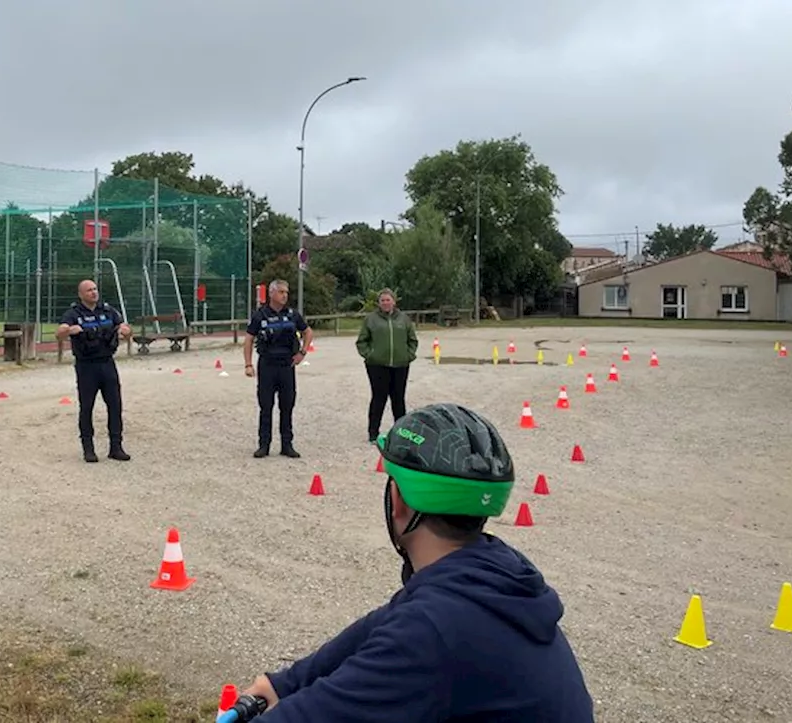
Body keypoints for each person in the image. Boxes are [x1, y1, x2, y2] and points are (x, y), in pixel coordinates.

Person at [236, 403, 596, 722]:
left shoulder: (432, 632)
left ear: (398, 500)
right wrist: (285, 683)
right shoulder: (490, 575)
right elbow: (382, 623)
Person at [56, 278, 133, 463]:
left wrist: (125, 330)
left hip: (107, 363)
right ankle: (88, 449)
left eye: (95, 289)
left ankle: (116, 447)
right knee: (87, 407)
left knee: (115, 405)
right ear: (81, 294)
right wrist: (68, 331)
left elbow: (128, 330)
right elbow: (59, 333)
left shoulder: (108, 311)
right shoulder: (73, 313)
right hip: (86, 366)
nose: (94, 292)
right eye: (89, 290)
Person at [243, 279, 313, 459]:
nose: (285, 296)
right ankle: (264, 445)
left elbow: (308, 332)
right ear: (272, 294)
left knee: (287, 406)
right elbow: (249, 339)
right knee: (266, 406)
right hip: (267, 366)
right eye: (281, 292)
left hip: (286, 367)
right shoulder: (260, 315)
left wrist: (302, 353)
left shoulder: (292, 315)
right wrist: (248, 364)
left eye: (286, 292)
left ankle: (287, 444)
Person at [354, 288, 418, 444]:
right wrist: (370, 355)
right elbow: (362, 341)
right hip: (377, 365)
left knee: (398, 400)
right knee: (378, 398)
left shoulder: (404, 319)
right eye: (382, 300)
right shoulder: (371, 319)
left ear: (394, 302)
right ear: (379, 303)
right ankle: (373, 433)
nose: (385, 303)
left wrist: (408, 355)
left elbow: (412, 340)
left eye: (388, 300)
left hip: (400, 365)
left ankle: (402, 433)